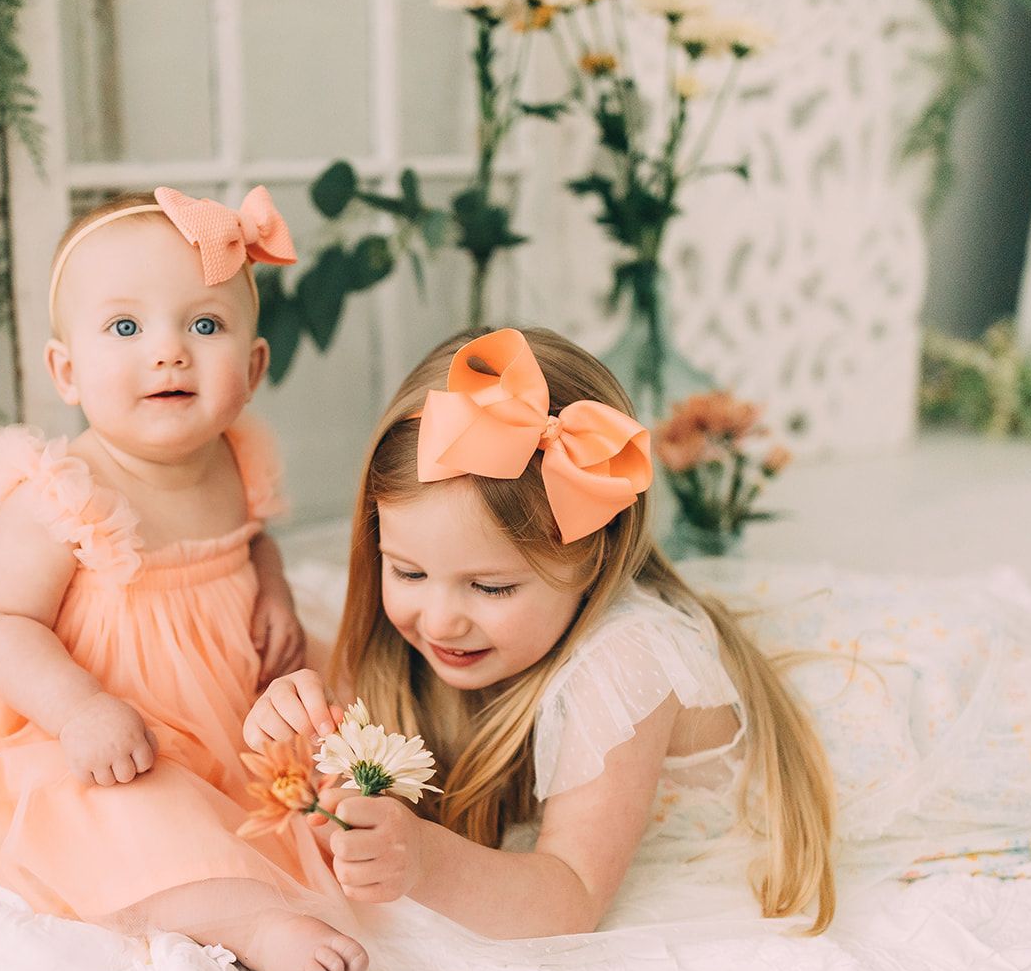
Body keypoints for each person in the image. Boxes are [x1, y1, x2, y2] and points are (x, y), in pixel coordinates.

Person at [0, 187, 366, 971]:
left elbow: (252, 538)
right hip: (110, 732)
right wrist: (80, 710)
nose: (168, 353)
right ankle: (256, 924)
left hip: (232, 706)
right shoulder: (62, 494)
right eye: (126, 328)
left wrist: (272, 586)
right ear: (66, 370)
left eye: (204, 326)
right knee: (127, 817)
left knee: (335, 754)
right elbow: (3, 621)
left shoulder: (236, 459)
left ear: (253, 368)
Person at [246, 326, 840, 938]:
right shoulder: (426, 632)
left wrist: (426, 860)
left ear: (594, 561)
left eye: (492, 588)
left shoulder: (627, 667)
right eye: (408, 571)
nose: (441, 619)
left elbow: (571, 897)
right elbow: (359, 728)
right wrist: (301, 717)